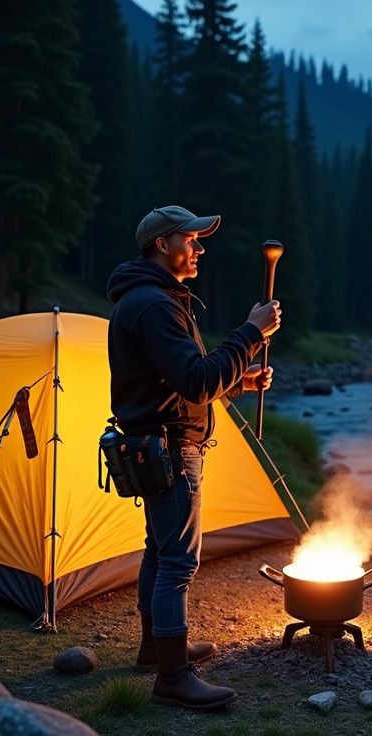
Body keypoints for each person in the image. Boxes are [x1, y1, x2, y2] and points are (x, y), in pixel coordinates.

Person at [106, 205, 281, 710]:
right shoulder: (154, 305)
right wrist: (250, 334)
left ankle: (155, 650)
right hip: (170, 450)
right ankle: (173, 676)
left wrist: (240, 381)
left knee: (160, 552)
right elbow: (198, 379)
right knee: (178, 561)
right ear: (163, 244)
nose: (200, 248)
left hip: (156, 443)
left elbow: (179, 381)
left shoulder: (150, 299)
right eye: (192, 239)